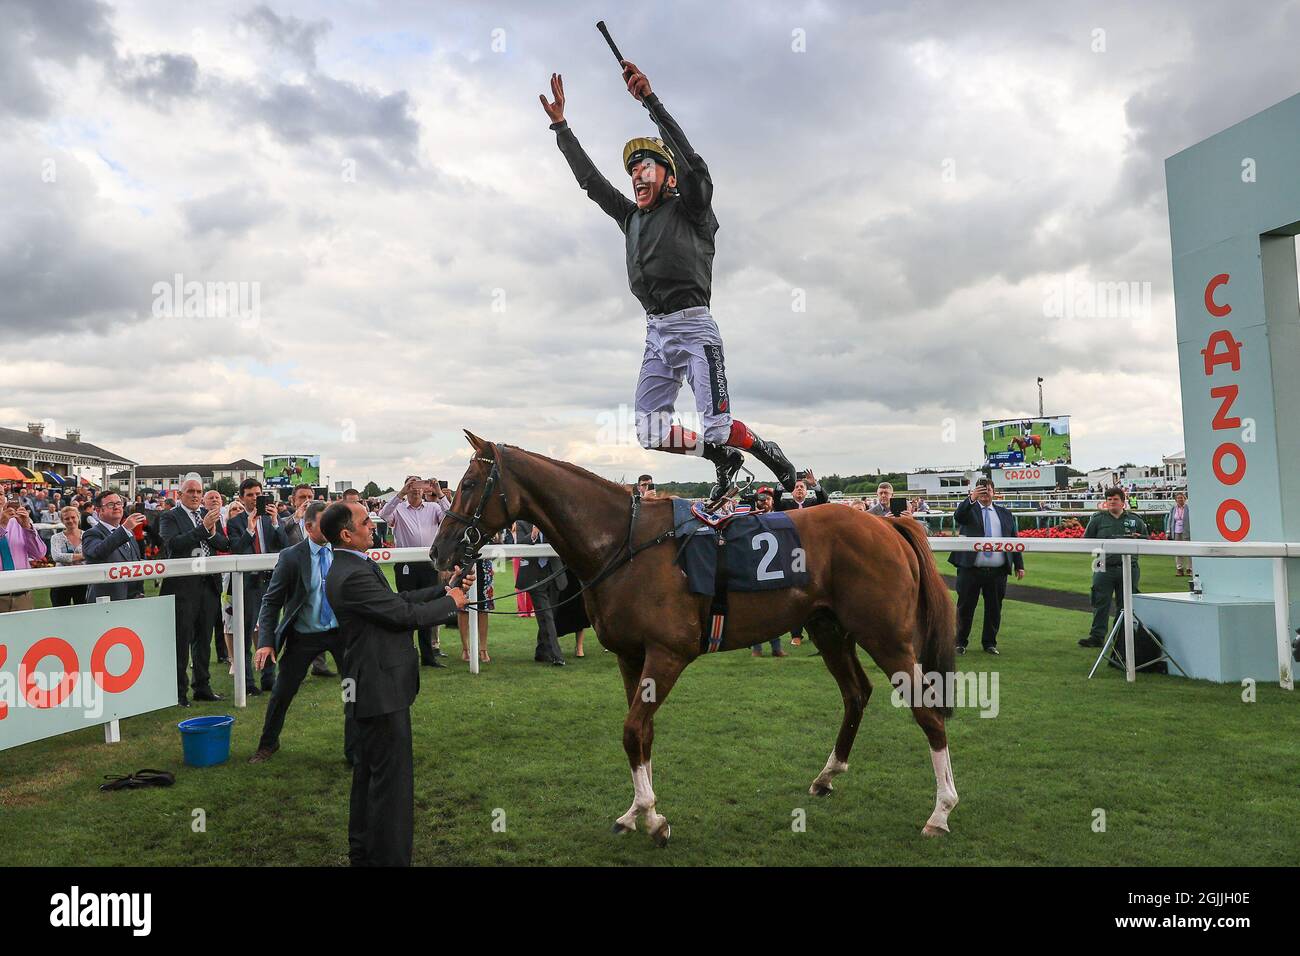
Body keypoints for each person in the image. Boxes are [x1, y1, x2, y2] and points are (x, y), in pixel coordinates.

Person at [540, 65, 803, 499]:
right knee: (649, 431)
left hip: (696, 327)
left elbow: (695, 166)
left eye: (646, 167)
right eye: (632, 171)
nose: (637, 176)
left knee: (718, 426)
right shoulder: (630, 218)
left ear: (669, 176)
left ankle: (763, 450)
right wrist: (561, 128)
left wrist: (650, 101)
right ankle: (720, 459)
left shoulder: (692, 209)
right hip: (656, 333)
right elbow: (590, 182)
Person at [321, 501, 471, 867]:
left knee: (369, 777)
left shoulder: (352, 565)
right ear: (346, 534)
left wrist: (443, 589)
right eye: (364, 522)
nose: (372, 525)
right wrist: (451, 602)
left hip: (375, 686)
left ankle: (364, 852)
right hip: (379, 689)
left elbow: (395, 601)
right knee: (392, 786)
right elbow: (403, 615)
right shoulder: (352, 573)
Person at [250, 502, 355, 765]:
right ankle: (268, 744)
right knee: (282, 692)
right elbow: (272, 601)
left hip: (340, 633)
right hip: (303, 635)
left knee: (353, 691)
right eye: (326, 522)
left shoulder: (345, 552)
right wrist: (266, 642)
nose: (335, 528)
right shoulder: (291, 556)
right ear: (308, 527)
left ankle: (355, 750)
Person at [159, 476, 230, 707]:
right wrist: (202, 529)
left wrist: (209, 530)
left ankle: (202, 686)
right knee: (181, 640)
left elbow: (222, 543)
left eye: (199, 491)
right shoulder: (170, 516)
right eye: (190, 491)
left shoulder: (205, 516)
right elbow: (174, 545)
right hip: (182, 587)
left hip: (208, 585)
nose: (196, 495)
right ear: (180, 495)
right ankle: (178, 692)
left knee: (203, 639)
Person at [380, 476, 454, 668]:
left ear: (424, 489)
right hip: (406, 564)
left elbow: (451, 517)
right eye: (411, 485)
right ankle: (405, 654)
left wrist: (438, 493)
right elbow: (383, 514)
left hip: (429, 563)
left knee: (427, 609)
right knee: (406, 608)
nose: (415, 489)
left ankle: (428, 656)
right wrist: (401, 494)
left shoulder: (433, 507)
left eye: (418, 485)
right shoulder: (398, 508)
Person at [948, 477, 1025, 656]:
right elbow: (958, 516)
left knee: (994, 609)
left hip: (997, 571)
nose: (985, 494)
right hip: (971, 569)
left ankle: (989, 643)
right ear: (975, 492)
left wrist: (1019, 564)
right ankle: (959, 643)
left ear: (994, 492)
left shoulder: (1005, 514)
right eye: (981, 490)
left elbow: (1013, 540)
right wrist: (971, 498)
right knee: (965, 608)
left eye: (987, 490)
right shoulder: (969, 511)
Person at [227, 478, 283, 694]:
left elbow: (285, 545)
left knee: (269, 632)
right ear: (242, 497)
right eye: (250, 494)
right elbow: (236, 550)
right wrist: (249, 530)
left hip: (270, 582)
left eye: (258, 494)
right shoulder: (235, 522)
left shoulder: (271, 520)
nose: (254, 498)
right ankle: (248, 683)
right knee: (245, 633)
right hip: (248, 584)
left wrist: (277, 522)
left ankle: (269, 679)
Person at [1079, 487, 1150, 648]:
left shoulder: (1135, 520)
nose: (1112, 502)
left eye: (1115, 499)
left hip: (1129, 565)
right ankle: (1097, 637)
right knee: (1100, 601)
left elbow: (1148, 539)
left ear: (1123, 502)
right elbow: (1086, 541)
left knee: (1125, 604)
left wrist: (1140, 538)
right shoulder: (1097, 519)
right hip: (1102, 563)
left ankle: (1120, 638)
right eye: (1109, 499)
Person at [280, 483, 336, 677]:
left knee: (322, 610)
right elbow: (281, 534)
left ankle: (319, 665)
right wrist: (298, 516)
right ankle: (294, 667)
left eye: (310, 496)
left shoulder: (323, 521)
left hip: (322, 572)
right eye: (302, 497)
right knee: (296, 616)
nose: (307, 500)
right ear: (293, 501)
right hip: (296, 578)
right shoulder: (286, 519)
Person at [515, 520, 567, 665]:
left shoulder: (549, 519)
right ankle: (556, 655)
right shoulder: (521, 524)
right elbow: (518, 544)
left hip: (554, 574)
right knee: (546, 615)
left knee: (550, 616)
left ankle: (541, 652)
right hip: (534, 576)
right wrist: (533, 535)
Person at [82, 491, 147, 602]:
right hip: (107, 601)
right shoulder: (92, 533)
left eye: (119, 503)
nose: (116, 507)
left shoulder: (128, 533)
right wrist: (124, 529)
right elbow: (97, 553)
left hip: (133, 599)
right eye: (111, 505)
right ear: (98, 511)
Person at [0, 499, 48, 612]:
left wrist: (27, 527)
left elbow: (39, 554)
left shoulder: (17, 521)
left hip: (22, 595)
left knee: (24, 629)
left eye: (1, 494)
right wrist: (1, 526)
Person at [457, 554, 495, 663]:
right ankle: (465, 649)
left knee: (483, 608)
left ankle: (483, 649)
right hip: (464, 563)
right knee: (463, 608)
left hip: (484, 564)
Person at [47, 505, 87, 608]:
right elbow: (57, 556)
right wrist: (83, 556)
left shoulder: (87, 536)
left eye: (73, 517)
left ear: (78, 517)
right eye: (66, 518)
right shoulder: (56, 537)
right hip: (61, 581)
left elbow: (92, 555)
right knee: (60, 613)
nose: (70, 520)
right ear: (62, 521)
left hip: (83, 580)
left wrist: (69, 557)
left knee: (84, 612)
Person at [1167, 492, 1192, 576]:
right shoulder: (1173, 508)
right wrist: (1168, 531)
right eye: (1178, 498)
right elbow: (1170, 520)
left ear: (1185, 499)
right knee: (1178, 551)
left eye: (1181, 498)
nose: (1180, 499)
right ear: (1176, 500)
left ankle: (1189, 569)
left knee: (1189, 550)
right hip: (1176, 531)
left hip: (1186, 531)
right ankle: (1179, 568)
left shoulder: (1188, 508)